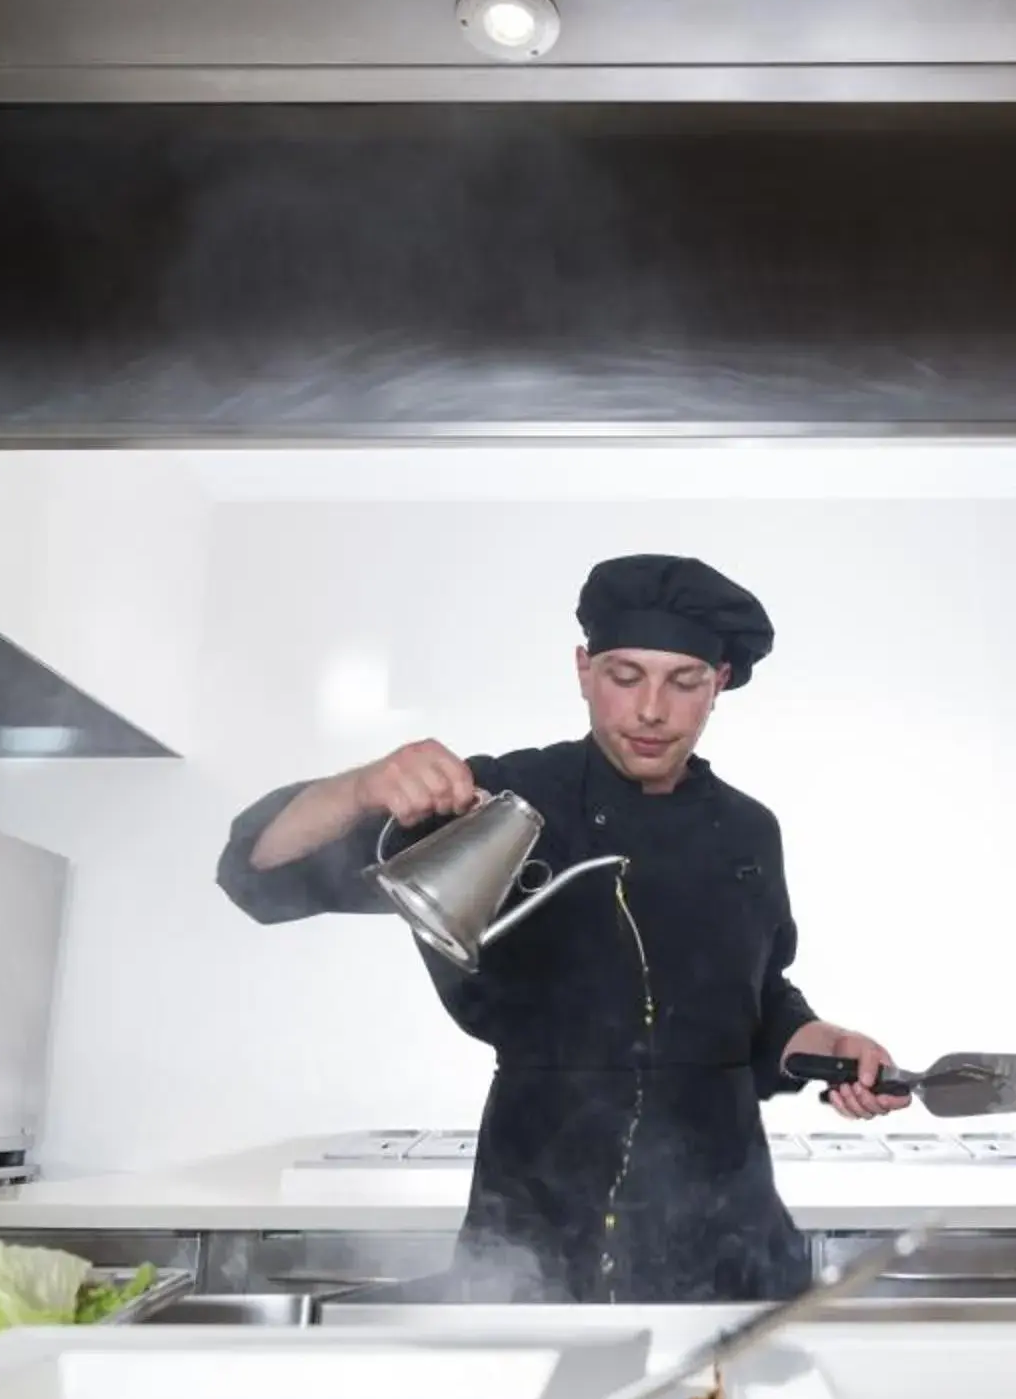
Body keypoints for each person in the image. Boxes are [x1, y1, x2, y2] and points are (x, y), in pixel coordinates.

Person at [214, 554, 906, 1303]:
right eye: (624, 675)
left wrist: (821, 1044)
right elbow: (260, 875)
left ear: (721, 684)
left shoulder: (746, 830)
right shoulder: (499, 804)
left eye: (684, 682)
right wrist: (362, 786)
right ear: (583, 669)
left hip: (727, 1232)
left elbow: (758, 1003)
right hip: (536, 1227)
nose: (651, 710)